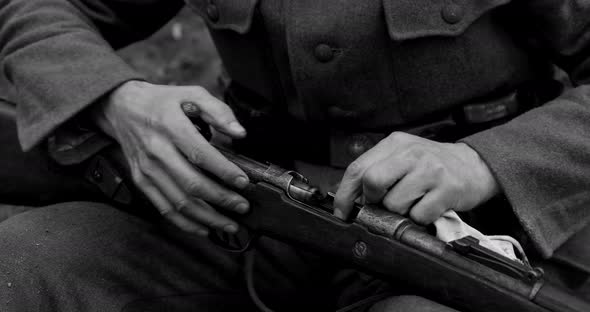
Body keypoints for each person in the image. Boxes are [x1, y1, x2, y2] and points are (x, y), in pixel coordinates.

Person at [0, 0, 589, 311]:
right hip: (249, 204)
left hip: (473, 234)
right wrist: (115, 99)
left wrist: (483, 160)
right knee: (25, 264)